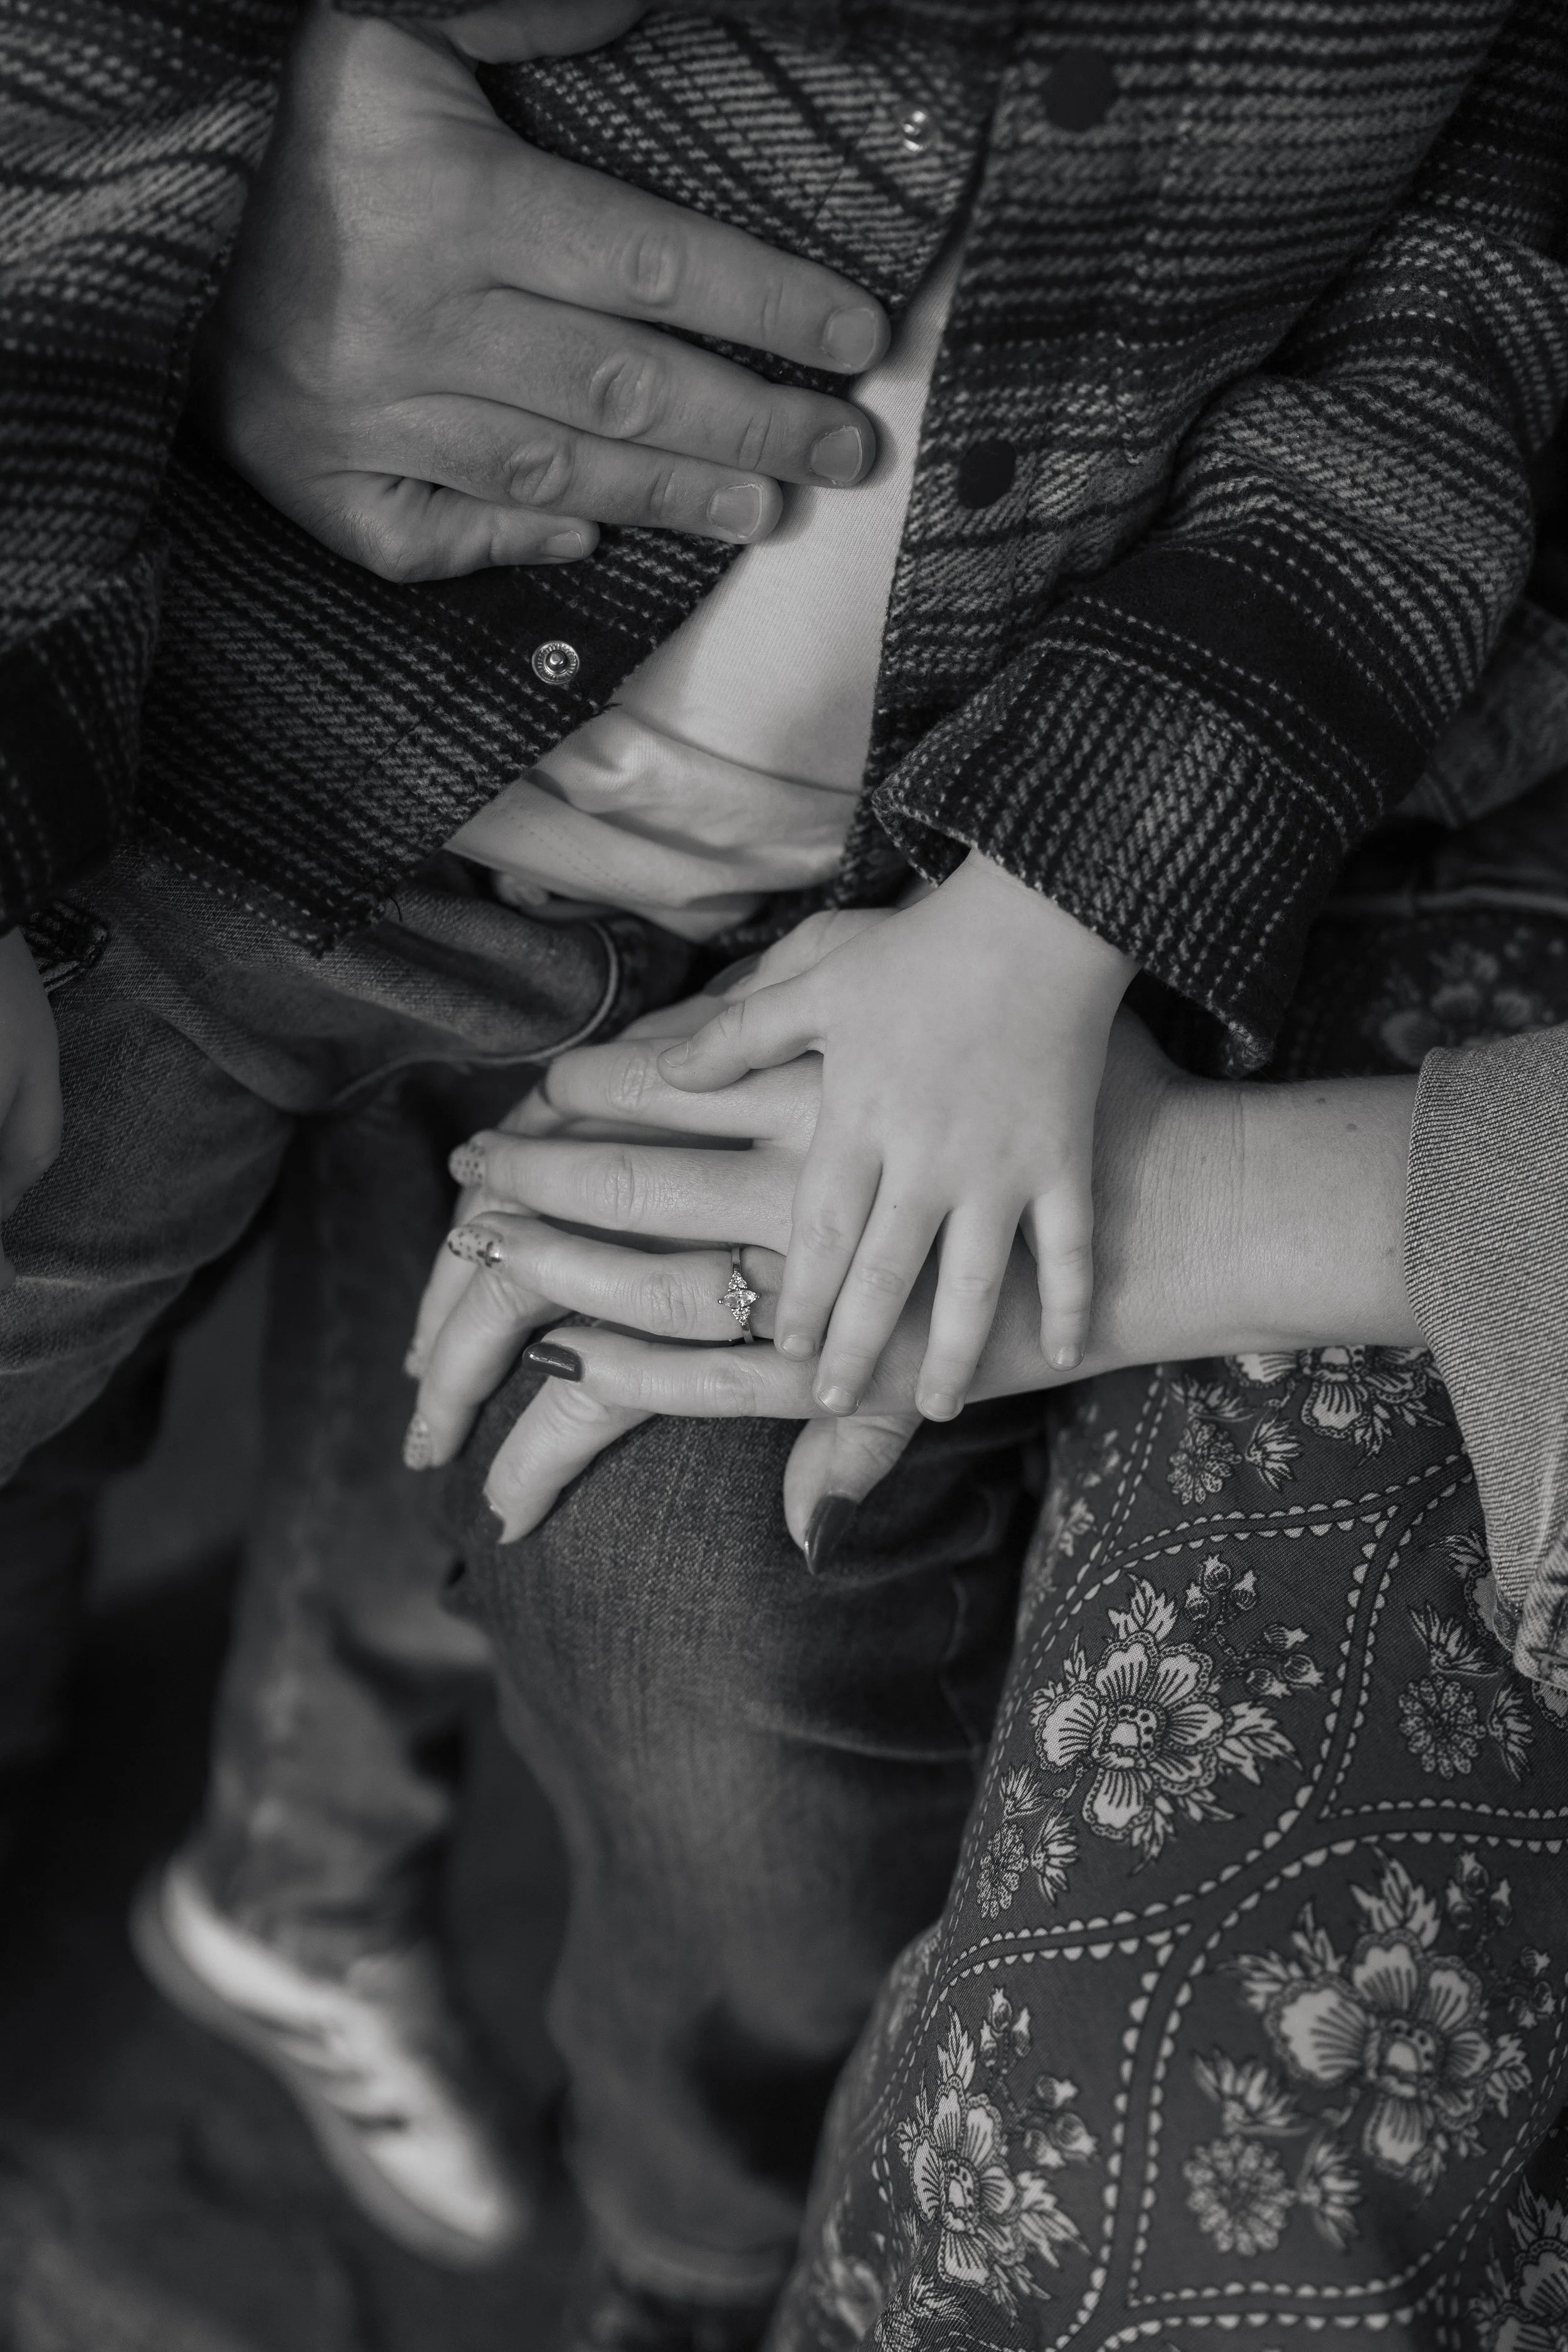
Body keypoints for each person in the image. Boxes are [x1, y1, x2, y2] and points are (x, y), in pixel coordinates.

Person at [4, 3, 1566, 2346]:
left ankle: (689, 2258)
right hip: (187, 745)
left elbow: (1463, 314)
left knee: (740, 1718)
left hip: (852, 942)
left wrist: (1069, 901)